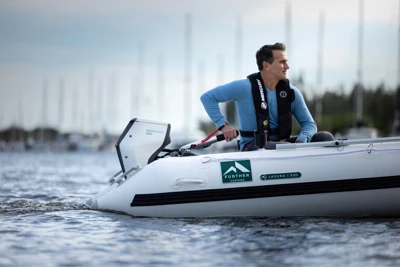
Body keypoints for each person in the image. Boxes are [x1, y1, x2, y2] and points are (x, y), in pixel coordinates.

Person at [200, 42, 333, 151]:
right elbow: (207, 97)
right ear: (266, 65)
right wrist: (224, 126)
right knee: (285, 148)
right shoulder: (243, 87)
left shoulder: (292, 92)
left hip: (283, 144)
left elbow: (309, 124)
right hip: (252, 145)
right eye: (282, 62)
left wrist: (301, 141)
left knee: (325, 137)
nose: (287, 66)